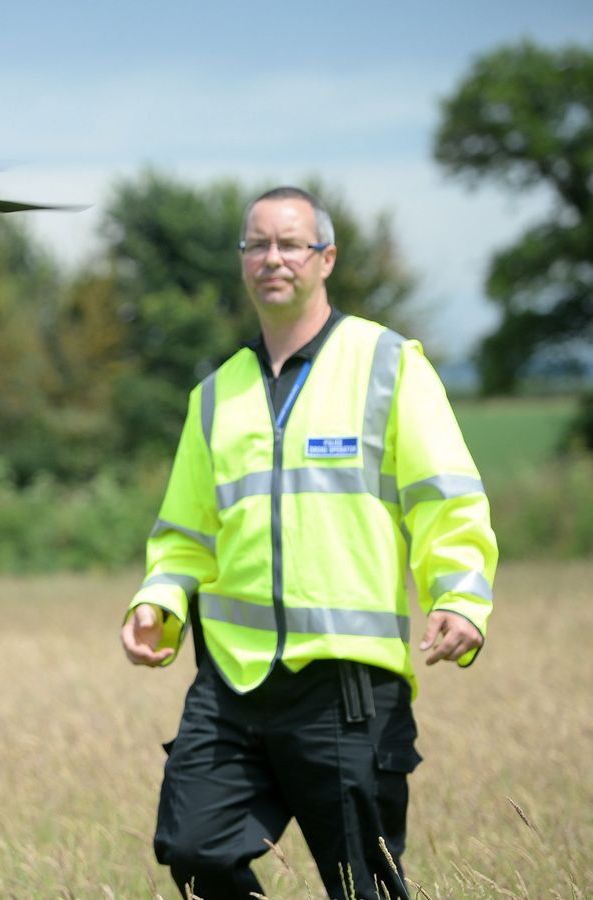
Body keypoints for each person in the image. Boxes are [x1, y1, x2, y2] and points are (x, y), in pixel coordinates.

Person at [120, 186, 496, 900]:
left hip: (346, 684)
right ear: (242, 262)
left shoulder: (388, 364)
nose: (272, 258)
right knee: (194, 848)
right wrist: (159, 602)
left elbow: (445, 498)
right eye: (257, 245)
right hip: (232, 682)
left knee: (365, 886)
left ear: (326, 259)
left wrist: (461, 596)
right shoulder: (215, 395)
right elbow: (184, 535)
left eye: (290, 244)